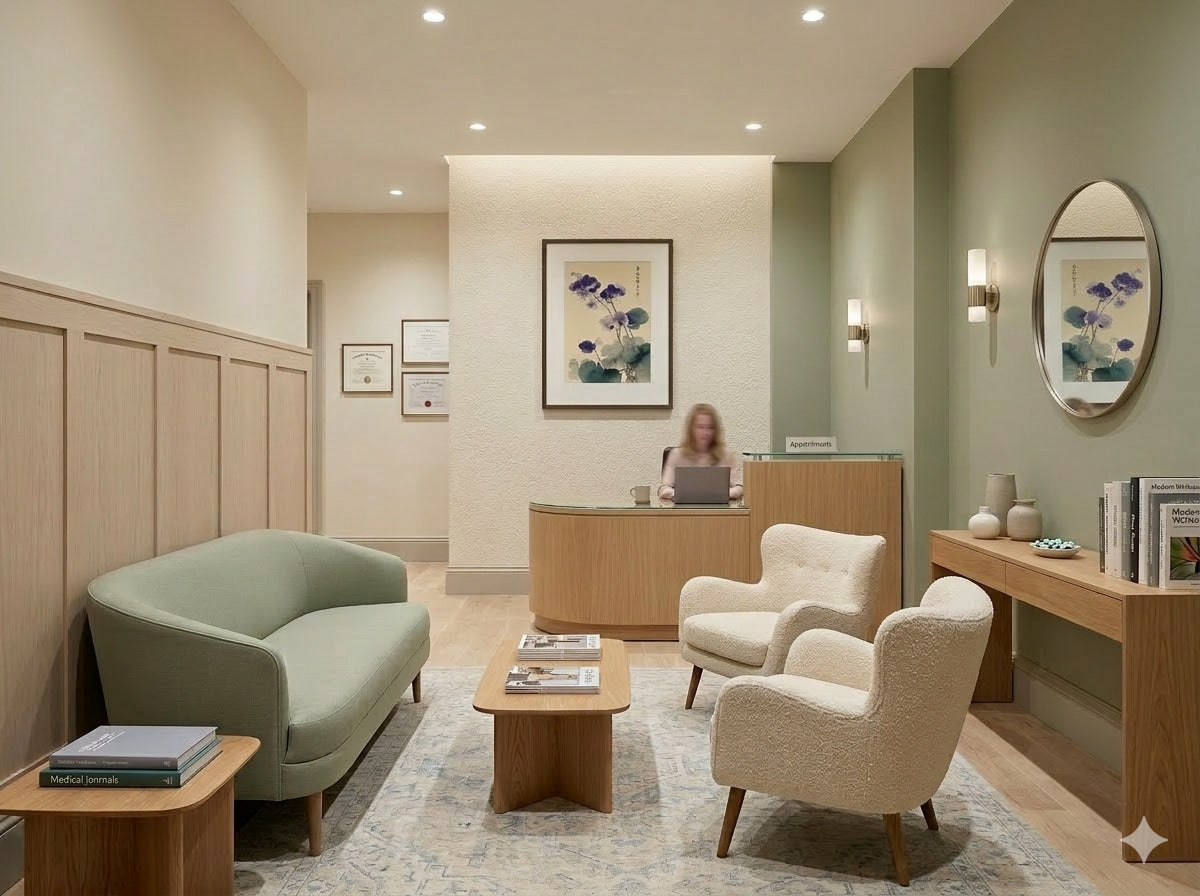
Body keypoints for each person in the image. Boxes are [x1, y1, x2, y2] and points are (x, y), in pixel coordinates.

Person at [658, 403, 743, 502]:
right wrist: (682, 494)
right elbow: (663, 490)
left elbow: (739, 488)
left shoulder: (726, 455)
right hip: (685, 511)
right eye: (700, 427)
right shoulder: (676, 454)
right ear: (691, 429)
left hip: (719, 511)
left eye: (710, 427)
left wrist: (721, 494)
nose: (705, 433)